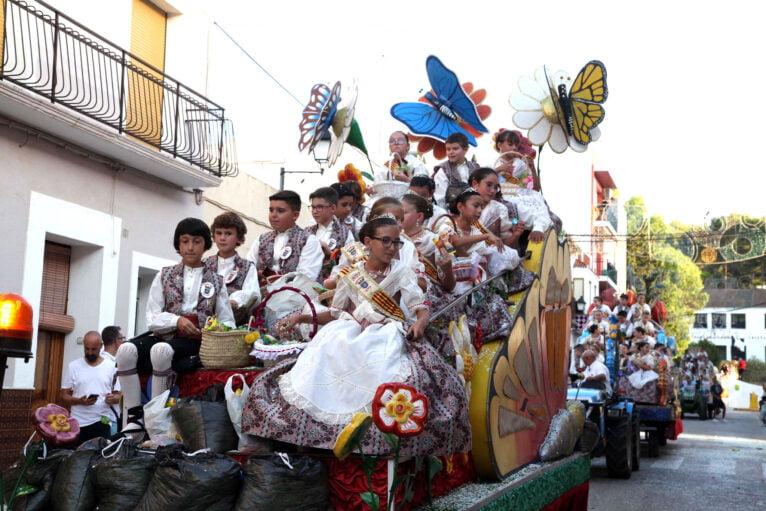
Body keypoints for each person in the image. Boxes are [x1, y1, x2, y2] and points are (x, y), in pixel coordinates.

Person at [241, 216, 471, 456]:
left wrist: (421, 323)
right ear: (368, 242)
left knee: (384, 371)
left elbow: (420, 306)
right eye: (386, 241)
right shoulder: (351, 274)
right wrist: (302, 317)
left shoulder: (402, 271)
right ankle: (314, 442)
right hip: (347, 331)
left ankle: (374, 444)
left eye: (396, 242)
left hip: (385, 332)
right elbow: (337, 312)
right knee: (315, 367)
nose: (392, 248)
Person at [116, 218, 235, 438]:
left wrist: (211, 327)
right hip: (166, 332)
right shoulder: (164, 275)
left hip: (195, 340)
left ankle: (157, 417)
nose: (190, 247)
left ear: (206, 245)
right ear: (178, 244)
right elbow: (152, 316)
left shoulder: (216, 280)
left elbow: (228, 320)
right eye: (185, 241)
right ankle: (134, 417)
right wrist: (176, 321)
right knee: (125, 350)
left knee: (160, 351)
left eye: (197, 241)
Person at [246, 190, 323, 286]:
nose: (273, 215)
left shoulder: (309, 240)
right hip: (262, 295)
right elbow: (248, 268)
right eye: (271, 210)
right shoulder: (261, 239)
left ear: (295, 215)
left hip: (297, 297)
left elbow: (305, 278)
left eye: (280, 211)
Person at [61, 331, 121, 443]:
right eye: (87, 349)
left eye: (93, 349)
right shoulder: (74, 366)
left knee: (100, 457)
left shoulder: (111, 366)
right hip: (78, 422)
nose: (90, 352)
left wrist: (113, 398)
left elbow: (119, 394)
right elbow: (64, 394)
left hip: (102, 420)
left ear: (101, 346)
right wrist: (79, 401)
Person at [204, 212, 260, 322]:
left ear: (239, 238)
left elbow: (253, 293)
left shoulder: (247, 267)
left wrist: (236, 300)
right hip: (204, 322)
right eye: (218, 233)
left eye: (228, 234)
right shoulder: (205, 264)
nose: (222, 238)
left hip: (234, 324)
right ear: (213, 237)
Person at [306, 187, 354, 281]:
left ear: (333, 208)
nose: (314, 211)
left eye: (319, 207)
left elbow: (351, 264)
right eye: (313, 207)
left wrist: (330, 255)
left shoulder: (345, 233)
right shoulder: (306, 233)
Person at [469, 167, 525, 248]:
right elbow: (451, 240)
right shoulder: (462, 205)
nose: (492, 191)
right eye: (488, 185)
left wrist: (515, 235)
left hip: (491, 258)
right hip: (462, 256)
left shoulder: (499, 209)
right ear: (475, 184)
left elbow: (503, 248)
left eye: (496, 187)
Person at [432, 133, 480, 209]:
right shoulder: (443, 171)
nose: (451, 152)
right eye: (448, 149)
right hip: (454, 213)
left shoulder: (475, 167)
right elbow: (441, 200)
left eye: (455, 149)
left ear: (465, 149)